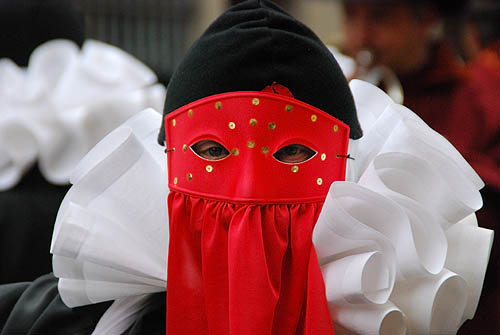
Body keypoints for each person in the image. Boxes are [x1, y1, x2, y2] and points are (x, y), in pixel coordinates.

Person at [0, 1, 492, 334]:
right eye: (212, 152)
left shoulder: (385, 300)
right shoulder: (106, 310)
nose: (250, 188)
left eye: (294, 153)